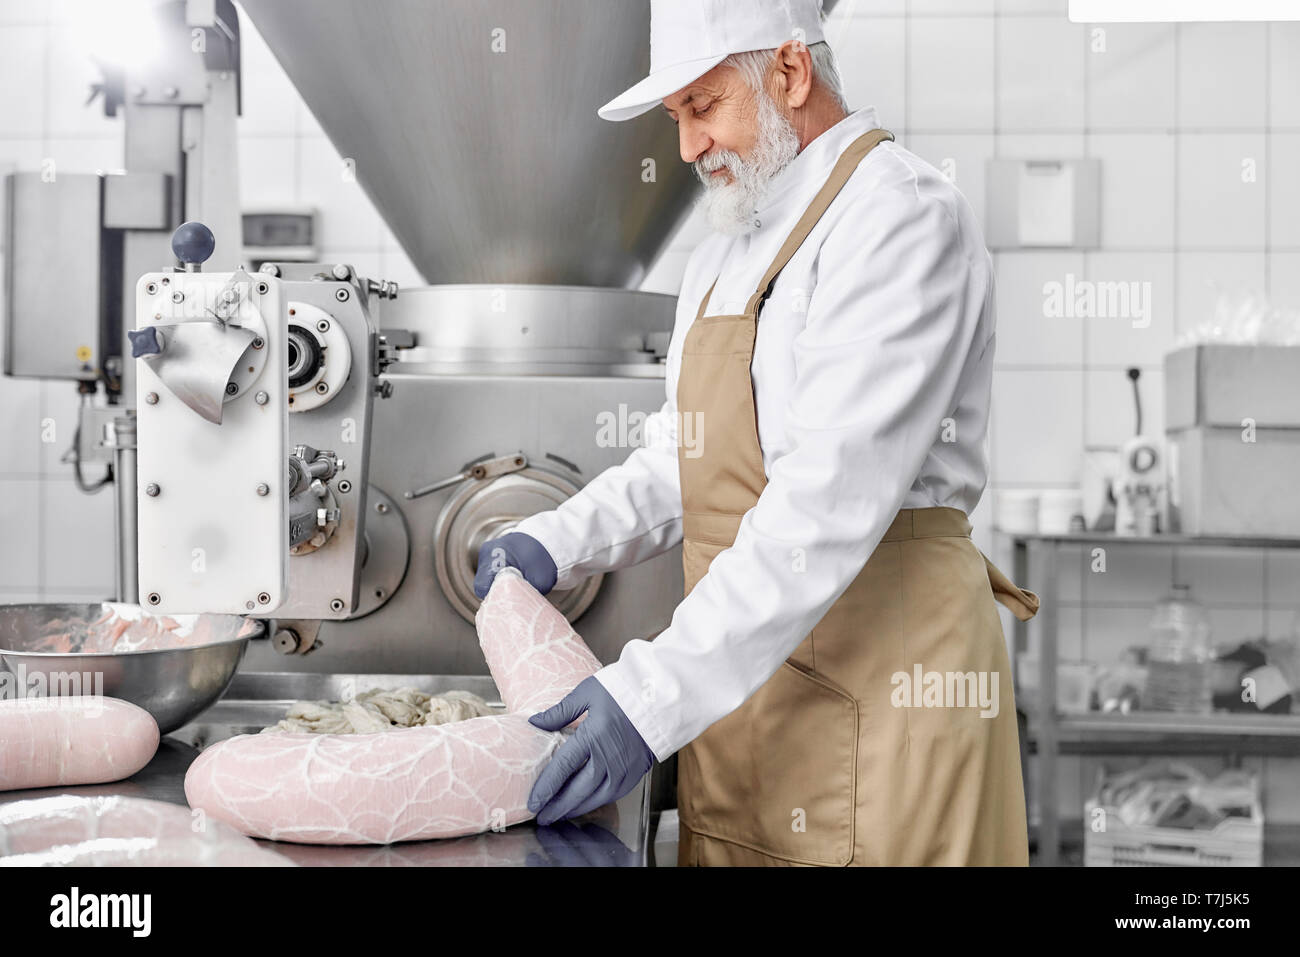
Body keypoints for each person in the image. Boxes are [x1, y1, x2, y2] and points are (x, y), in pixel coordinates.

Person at [474, 0, 1039, 866]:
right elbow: (683, 453)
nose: (688, 149)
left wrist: (648, 696)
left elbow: (825, 503)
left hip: (886, 686)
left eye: (703, 108)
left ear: (790, 72)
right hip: (743, 695)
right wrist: (550, 541)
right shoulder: (726, 248)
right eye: (677, 121)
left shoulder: (900, 217)